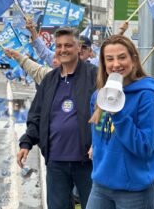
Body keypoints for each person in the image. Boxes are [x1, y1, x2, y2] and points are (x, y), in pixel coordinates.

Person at [17, 26, 97, 209]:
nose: (63, 50)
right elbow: (36, 115)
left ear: (78, 47)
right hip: (56, 162)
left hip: (88, 163)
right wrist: (26, 143)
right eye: (59, 46)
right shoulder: (49, 80)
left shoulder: (94, 76)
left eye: (68, 45)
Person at [86, 35, 154, 209]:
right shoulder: (98, 97)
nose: (116, 64)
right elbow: (101, 138)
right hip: (100, 186)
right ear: (103, 64)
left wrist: (118, 114)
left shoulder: (147, 97)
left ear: (133, 59)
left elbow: (145, 148)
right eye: (109, 59)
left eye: (122, 57)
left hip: (134, 191)